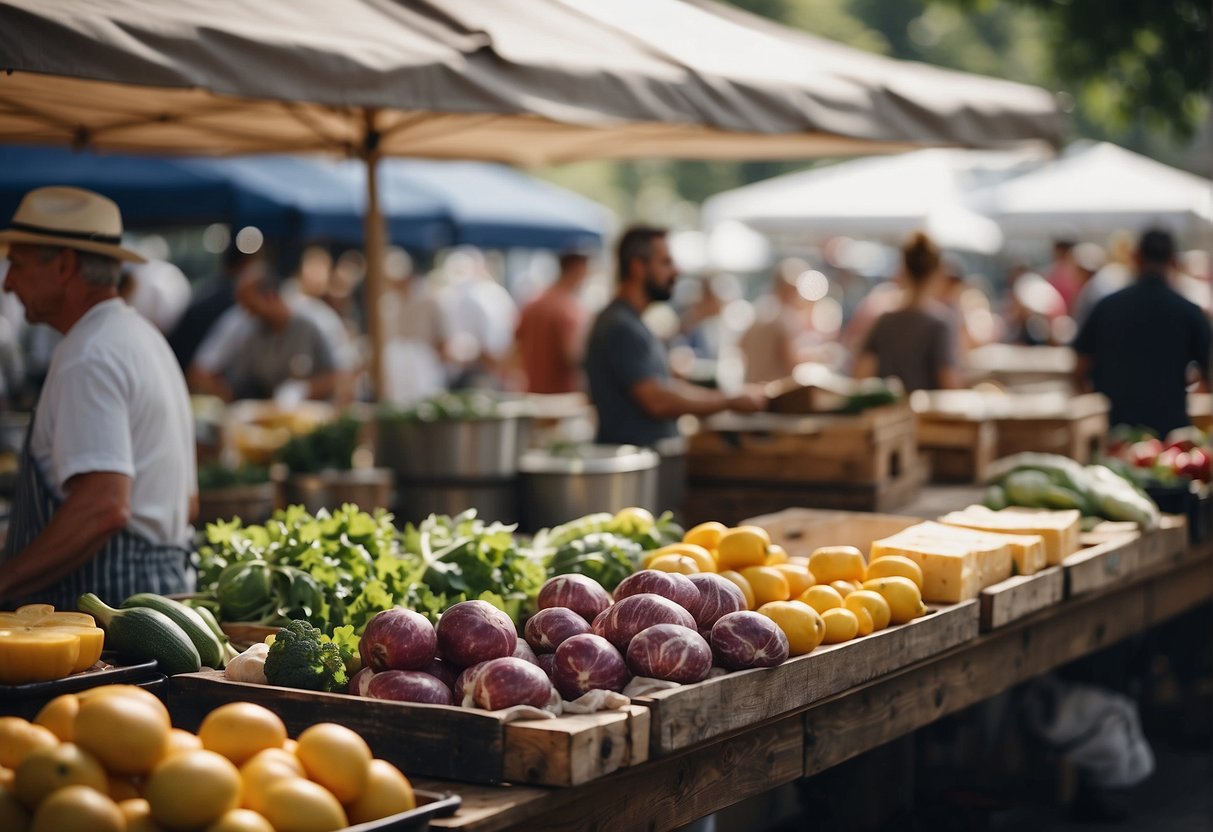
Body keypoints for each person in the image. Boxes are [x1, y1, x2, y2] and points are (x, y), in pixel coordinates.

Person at [0, 186, 196, 608]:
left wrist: (5, 580)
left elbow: (104, 505)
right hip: (162, 598)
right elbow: (190, 503)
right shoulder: (142, 336)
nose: (8, 282)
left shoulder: (88, 355)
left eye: (17, 263)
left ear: (65, 266)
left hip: (110, 612)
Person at [584, 225, 766, 447]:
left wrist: (727, 397)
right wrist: (728, 401)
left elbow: (663, 387)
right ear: (637, 267)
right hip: (636, 466)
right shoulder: (621, 326)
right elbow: (657, 400)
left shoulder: (631, 321)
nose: (676, 271)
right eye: (665, 262)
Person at [1073, 228, 1211, 436]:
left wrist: (1094, 399)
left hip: (1115, 430)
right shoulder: (1188, 312)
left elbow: (1080, 365)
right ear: (1173, 260)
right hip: (1170, 435)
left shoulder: (1107, 307)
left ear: (1136, 257)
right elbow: (1207, 374)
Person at [187, 254, 339, 403]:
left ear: (270, 297)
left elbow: (343, 375)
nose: (248, 314)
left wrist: (306, 389)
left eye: (251, 307)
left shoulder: (315, 320)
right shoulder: (252, 331)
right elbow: (232, 379)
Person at [853, 232, 961, 392]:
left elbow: (861, 376)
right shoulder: (940, 324)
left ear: (904, 268)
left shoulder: (884, 321)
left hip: (890, 413)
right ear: (937, 272)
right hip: (924, 415)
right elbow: (949, 383)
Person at [515, 251, 590, 394]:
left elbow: (515, 352)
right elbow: (574, 357)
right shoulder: (569, 309)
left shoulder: (532, 304)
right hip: (561, 401)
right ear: (579, 269)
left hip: (533, 395)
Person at [738, 258, 818, 384]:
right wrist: (818, 357)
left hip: (752, 387)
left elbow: (741, 344)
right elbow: (790, 362)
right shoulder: (785, 317)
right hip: (772, 392)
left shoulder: (760, 307)